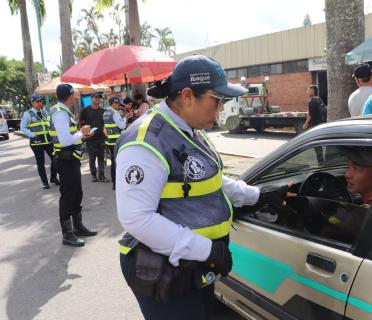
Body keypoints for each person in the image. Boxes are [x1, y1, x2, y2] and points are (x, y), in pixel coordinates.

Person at [115, 55, 290, 319]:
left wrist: (259, 196)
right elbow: (137, 219)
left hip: (192, 265)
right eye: (217, 100)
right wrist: (207, 250)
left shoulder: (191, 130)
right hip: (161, 268)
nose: (220, 109)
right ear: (187, 95)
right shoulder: (147, 141)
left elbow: (212, 181)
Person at [50, 84, 97, 247]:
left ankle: (78, 227)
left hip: (70, 159)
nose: (75, 97)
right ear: (70, 96)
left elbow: (70, 136)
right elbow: (64, 140)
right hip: (65, 160)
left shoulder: (62, 111)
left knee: (76, 194)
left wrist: (83, 135)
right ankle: (68, 234)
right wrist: (81, 133)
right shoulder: (60, 113)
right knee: (68, 196)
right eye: (74, 94)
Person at [20, 95, 59, 189]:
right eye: (37, 101)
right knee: (40, 162)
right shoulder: (28, 114)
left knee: (56, 159)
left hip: (48, 141)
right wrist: (32, 135)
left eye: (40, 101)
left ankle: (53, 178)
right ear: (32, 103)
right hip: (37, 142)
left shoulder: (45, 112)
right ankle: (45, 182)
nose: (40, 103)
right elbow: (23, 127)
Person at [79, 92, 109, 182]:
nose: (98, 99)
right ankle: (94, 175)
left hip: (101, 138)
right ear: (91, 99)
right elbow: (80, 121)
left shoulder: (103, 111)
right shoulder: (85, 110)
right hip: (90, 139)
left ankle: (101, 176)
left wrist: (105, 130)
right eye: (96, 98)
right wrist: (84, 133)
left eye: (99, 98)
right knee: (92, 158)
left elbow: (105, 124)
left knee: (101, 157)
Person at [103, 96, 127, 190]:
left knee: (113, 162)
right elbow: (122, 126)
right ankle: (116, 183)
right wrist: (124, 118)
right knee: (117, 163)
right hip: (116, 141)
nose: (118, 106)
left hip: (109, 141)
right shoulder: (115, 113)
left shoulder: (105, 112)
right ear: (113, 103)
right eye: (117, 104)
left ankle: (114, 183)